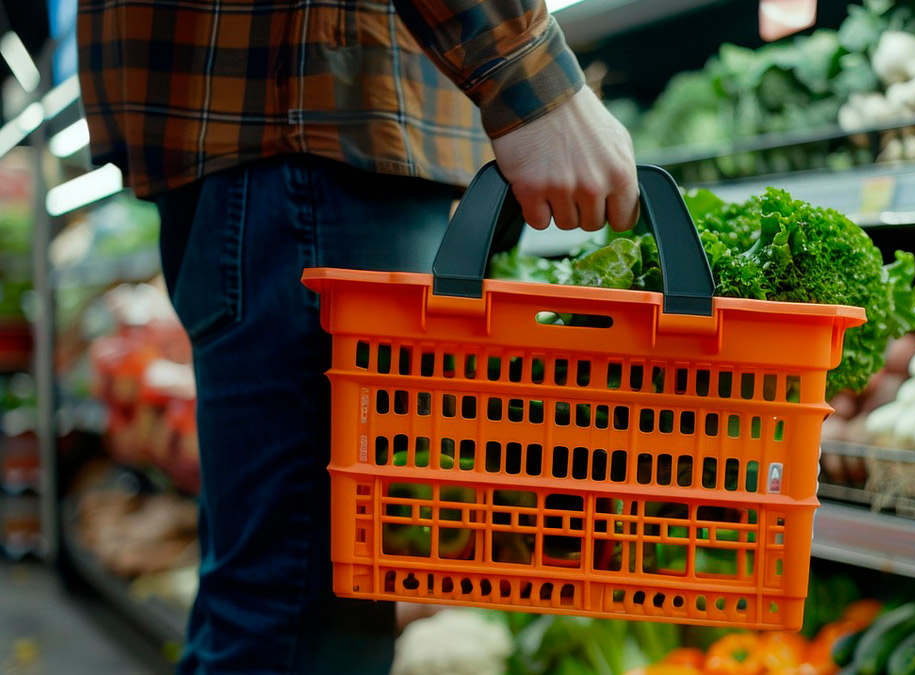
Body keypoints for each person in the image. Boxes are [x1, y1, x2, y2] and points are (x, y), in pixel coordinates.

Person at [77, 1, 638, 672]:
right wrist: (532, 79)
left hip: (289, 137)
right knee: (307, 619)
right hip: (320, 124)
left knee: (282, 595)